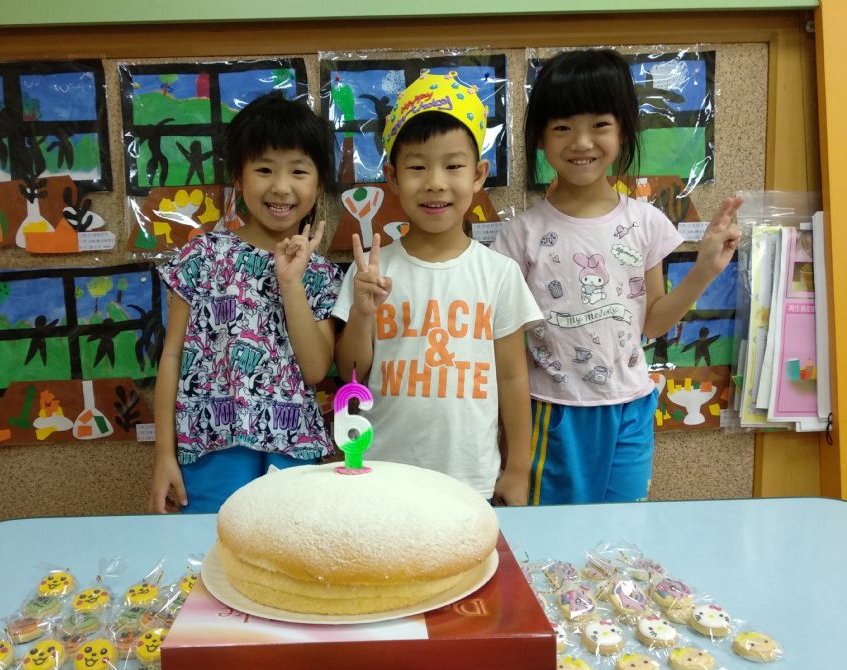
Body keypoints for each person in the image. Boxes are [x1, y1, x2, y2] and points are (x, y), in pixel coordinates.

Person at [493, 49, 742, 505]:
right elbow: (504, 350)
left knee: (623, 528)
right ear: (540, 138)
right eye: (562, 127)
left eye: (600, 125)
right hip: (552, 412)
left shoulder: (645, 223)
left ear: (623, 130)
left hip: (631, 408)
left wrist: (705, 270)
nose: (581, 142)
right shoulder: (520, 236)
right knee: (554, 535)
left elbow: (653, 323)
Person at [333, 71, 543, 505]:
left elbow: (512, 376)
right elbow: (350, 374)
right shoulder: (370, 270)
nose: (435, 182)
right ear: (392, 177)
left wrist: (517, 469)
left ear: (479, 175)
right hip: (384, 477)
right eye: (417, 167)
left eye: (453, 166)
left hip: (470, 481)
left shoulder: (499, 274)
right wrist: (362, 313)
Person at [150, 92, 342, 514]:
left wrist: (291, 283)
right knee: (208, 547)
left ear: (318, 184)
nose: (281, 186)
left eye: (298, 171)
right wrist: (164, 454)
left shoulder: (322, 274)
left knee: (287, 551)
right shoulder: (202, 256)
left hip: (293, 450)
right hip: (210, 447)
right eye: (264, 169)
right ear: (238, 177)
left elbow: (315, 369)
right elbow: (172, 356)